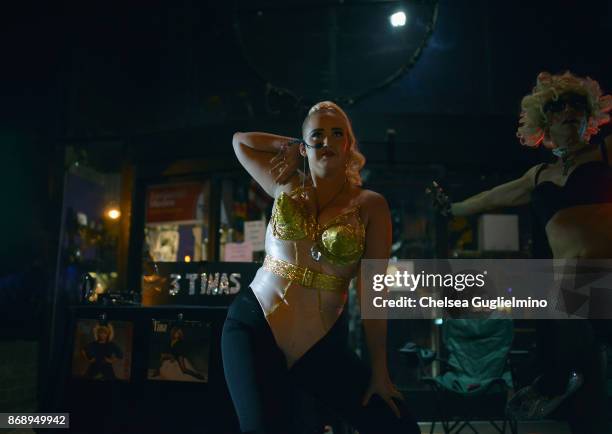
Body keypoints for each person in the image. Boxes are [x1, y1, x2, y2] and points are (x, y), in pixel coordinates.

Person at [429, 71, 612, 434]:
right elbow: (491, 197)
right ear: (546, 122)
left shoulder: (605, 152)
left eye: (578, 106)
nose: (570, 112)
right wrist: (453, 209)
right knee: (584, 372)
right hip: (571, 286)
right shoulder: (539, 175)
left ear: (589, 116)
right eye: (560, 107)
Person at [222, 101, 421, 434]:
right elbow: (240, 141)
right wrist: (291, 146)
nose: (327, 141)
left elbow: (373, 292)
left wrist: (379, 372)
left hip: (317, 343)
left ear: (348, 144)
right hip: (253, 325)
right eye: (318, 135)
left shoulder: (371, 205)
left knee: (396, 424)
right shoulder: (284, 183)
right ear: (305, 145)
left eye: (336, 134)